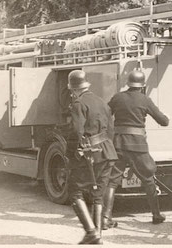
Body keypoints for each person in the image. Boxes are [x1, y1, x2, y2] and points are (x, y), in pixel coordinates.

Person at [102, 70, 169, 230]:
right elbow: (164, 121)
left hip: (118, 143)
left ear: (128, 83)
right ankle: (156, 215)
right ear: (142, 85)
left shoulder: (118, 97)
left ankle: (105, 219)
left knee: (112, 182)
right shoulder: (145, 100)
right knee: (148, 178)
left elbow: (105, 114)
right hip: (138, 146)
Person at [66, 70, 117, 245]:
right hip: (107, 152)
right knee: (98, 194)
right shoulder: (102, 102)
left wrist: (73, 153)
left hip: (90, 153)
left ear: (73, 89)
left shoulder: (78, 104)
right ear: (86, 85)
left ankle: (91, 232)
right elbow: (110, 130)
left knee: (75, 192)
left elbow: (76, 132)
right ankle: (98, 236)